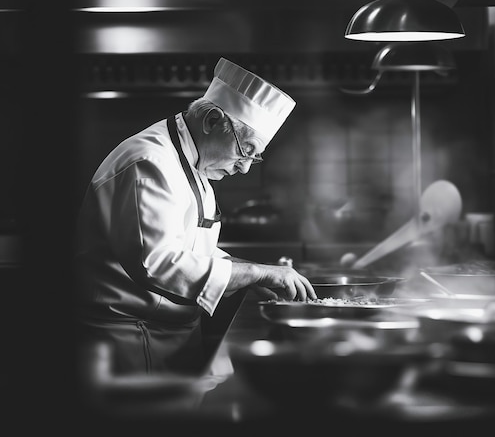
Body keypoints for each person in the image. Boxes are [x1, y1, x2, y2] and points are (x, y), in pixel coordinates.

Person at [73, 57, 317, 376]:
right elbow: (158, 263)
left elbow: (190, 247)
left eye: (253, 157)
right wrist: (256, 273)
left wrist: (247, 274)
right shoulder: (150, 162)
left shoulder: (193, 162)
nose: (244, 167)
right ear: (212, 121)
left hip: (166, 334)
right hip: (133, 340)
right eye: (246, 150)